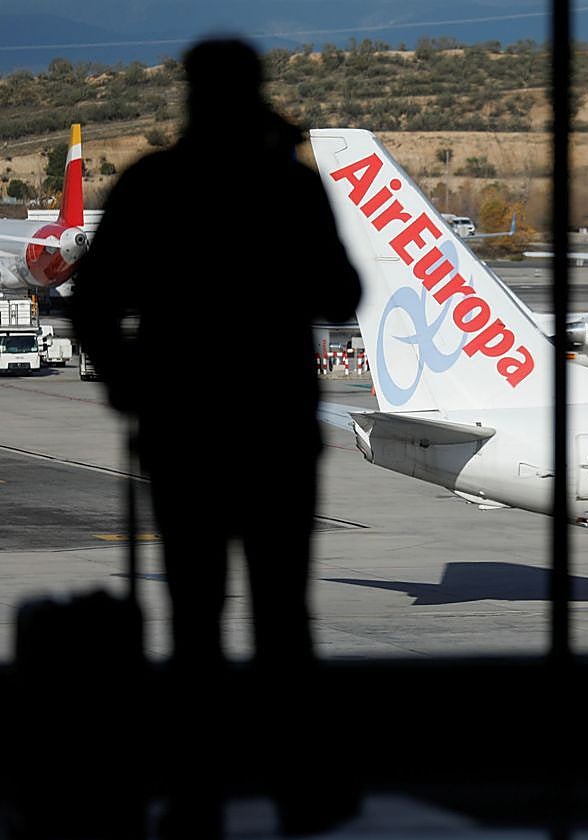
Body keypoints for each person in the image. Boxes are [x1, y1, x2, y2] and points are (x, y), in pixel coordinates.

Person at [70, 36, 362, 838]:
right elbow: (342, 294)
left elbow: (90, 302)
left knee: (195, 623)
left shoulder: (154, 186)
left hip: (184, 432)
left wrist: (130, 386)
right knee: (283, 620)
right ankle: (298, 789)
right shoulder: (287, 188)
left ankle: (195, 794)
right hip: (271, 432)